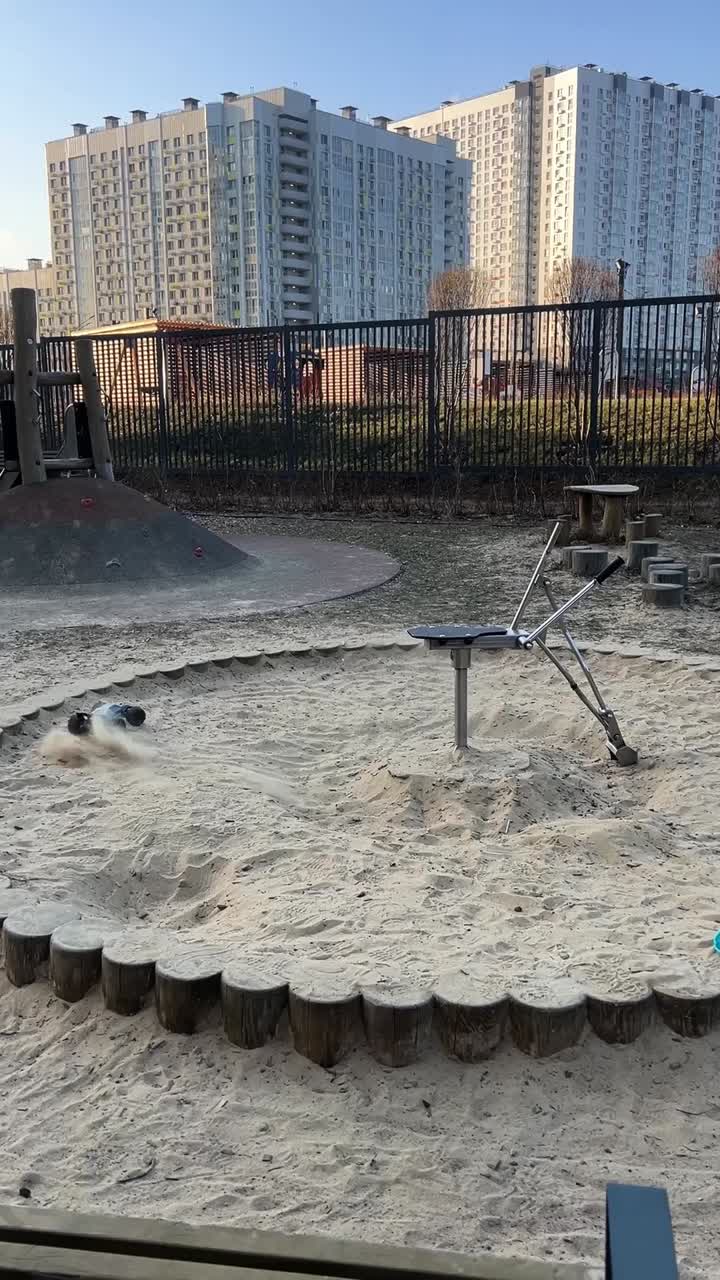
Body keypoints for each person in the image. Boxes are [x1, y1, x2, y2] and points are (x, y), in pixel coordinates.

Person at [67, 703, 146, 736]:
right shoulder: (115, 718)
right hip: (96, 721)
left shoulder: (117, 708)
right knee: (119, 724)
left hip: (97, 712)